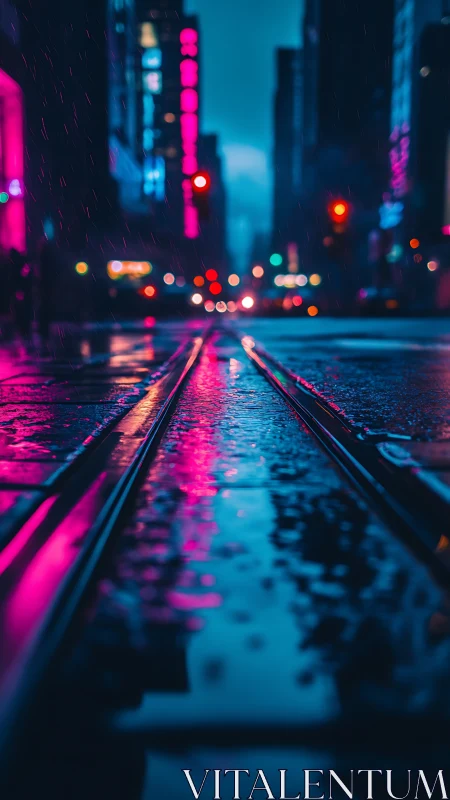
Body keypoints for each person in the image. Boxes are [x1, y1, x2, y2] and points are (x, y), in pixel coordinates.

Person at [9, 248, 33, 339]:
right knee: (22, 313)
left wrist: (19, 290)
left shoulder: (17, 266)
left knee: (21, 313)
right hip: (23, 293)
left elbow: (20, 280)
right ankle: (23, 332)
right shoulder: (22, 266)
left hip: (21, 293)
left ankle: (23, 332)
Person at [38, 237, 58, 341]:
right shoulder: (48, 258)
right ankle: (44, 331)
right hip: (47, 287)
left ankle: (44, 331)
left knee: (44, 308)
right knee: (45, 308)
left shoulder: (43, 258)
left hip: (45, 287)